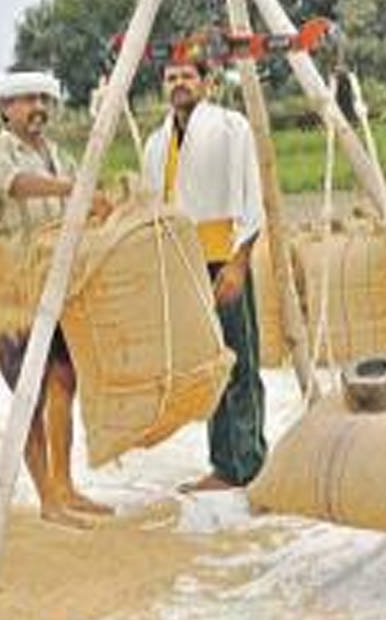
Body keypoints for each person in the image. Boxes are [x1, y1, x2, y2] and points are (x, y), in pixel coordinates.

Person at [0, 70, 111, 528]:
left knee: (63, 383)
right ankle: (47, 498)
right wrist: (76, 190)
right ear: (5, 108)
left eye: (43, 100)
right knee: (28, 392)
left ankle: (66, 487)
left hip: (58, 287)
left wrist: (100, 203)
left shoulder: (62, 157)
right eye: (27, 100)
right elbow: (15, 184)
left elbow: (84, 205)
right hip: (12, 288)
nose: (38, 108)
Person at [142, 57, 267, 491]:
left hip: (223, 256)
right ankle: (223, 464)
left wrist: (238, 263)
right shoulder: (156, 143)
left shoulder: (231, 126)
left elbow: (252, 198)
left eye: (187, 77)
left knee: (240, 360)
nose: (179, 84)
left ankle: (248, 464)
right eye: (171, 78)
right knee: (208, 365)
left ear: (207, 83)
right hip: (183, 263)